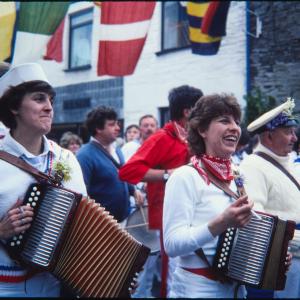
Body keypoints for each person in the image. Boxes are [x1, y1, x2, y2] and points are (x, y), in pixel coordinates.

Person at [0, 63, 87, 297]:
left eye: (51, 100)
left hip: (56, 283)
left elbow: (86, 219)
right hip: (7, 286)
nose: (49, 107)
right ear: (14, 107)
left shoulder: (66, 158)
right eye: (39, 99)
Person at [119, 85, 204, 297]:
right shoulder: (161, 138)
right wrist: (169, 174)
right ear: (187, 111)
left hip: (195, 214)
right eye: (200, 108)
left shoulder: (195, 137)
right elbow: (128, 172)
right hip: (168, 216)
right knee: (172, 277)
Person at [240, 97, 300, 299]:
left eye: (293, 132)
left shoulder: (288, 163)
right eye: (288, 132)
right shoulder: (253, 166)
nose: (294, 138)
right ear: (268, 137)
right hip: (283, 258)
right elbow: (257, 218)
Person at [76, 106, 142, 225]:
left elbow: (123, 176)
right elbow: (82, 195)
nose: (118, 128)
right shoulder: (84, 155)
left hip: (123, 220)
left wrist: (134, 191)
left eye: (117, 123)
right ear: (98, 128)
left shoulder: (117, 149)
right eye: (112, 125)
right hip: (102, 227)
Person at [121, 115, 159, 298]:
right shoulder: (130, 148)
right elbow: (124, 173)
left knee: (153, 255)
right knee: (136, 254)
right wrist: (136, 188)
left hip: (155, 208)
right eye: (145, 125)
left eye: (152, 125)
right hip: (134, 209)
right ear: (140, 128)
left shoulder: (161, 148)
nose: (149, 128)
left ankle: (146, 293)